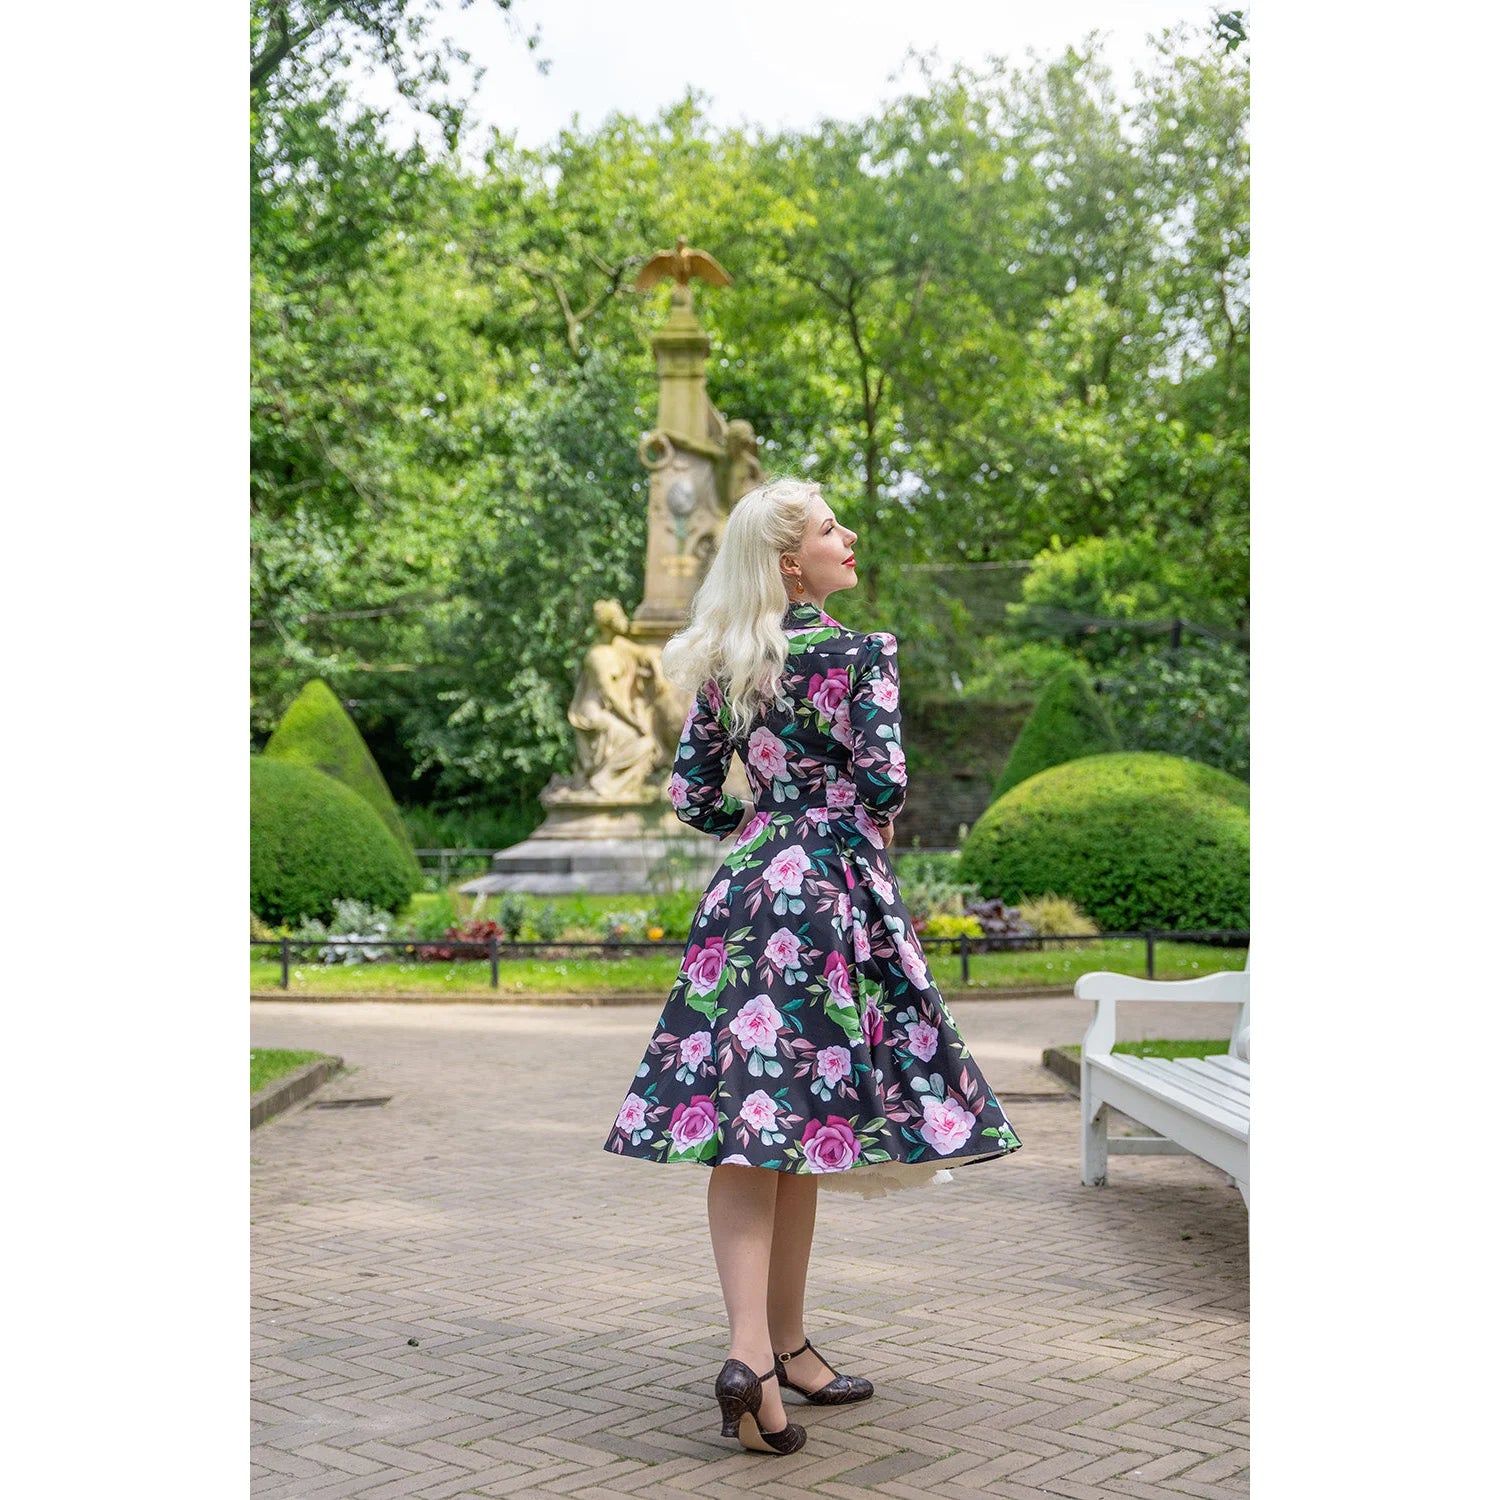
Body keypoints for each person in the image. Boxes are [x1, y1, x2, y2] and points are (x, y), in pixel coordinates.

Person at [602, 477, 1022, 1456]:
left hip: (748, 897)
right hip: (832, 899)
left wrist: (766, 808)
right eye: (833, 528)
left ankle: (771, 1353)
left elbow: (695, 796)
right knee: (794, 1127)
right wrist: (850, 805)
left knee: (760, 1127)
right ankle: (757, 1354)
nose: (851, 535)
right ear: (793, 563)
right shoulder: (862, 654)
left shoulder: (730, 664)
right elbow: (884, 781)